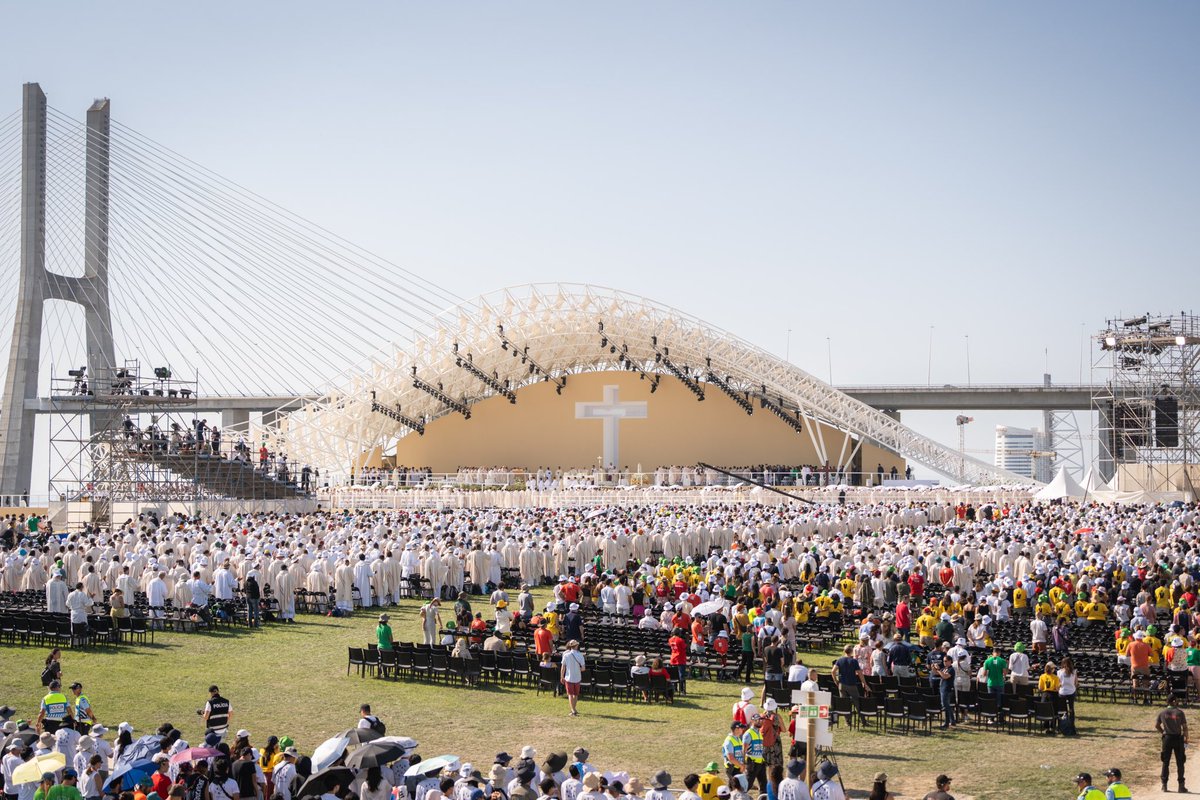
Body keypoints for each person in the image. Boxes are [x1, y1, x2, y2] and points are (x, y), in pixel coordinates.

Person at [1157, 693, 1189, 792]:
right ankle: (1181, 786)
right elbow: (1185, 727)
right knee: (1180, 762)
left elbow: (1157, 725)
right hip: (1178, 739)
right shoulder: (1180, 713)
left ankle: (1164, 785)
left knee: (1165, 762)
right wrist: (1186, 739)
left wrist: (1163, 732)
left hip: (1167, 739)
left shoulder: (1162, 713)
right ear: (1174, 701)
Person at [560, 640, 585, 717]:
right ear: (576, 646)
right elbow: (583, 668)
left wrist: (562, 676)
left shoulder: (566, 655)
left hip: (569, 677)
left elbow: (563, 667)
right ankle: (574, 709)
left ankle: (573, 710)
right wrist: (577, 669)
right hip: (577, 677)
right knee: (575, 694)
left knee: (570, 695)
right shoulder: (580, 655)